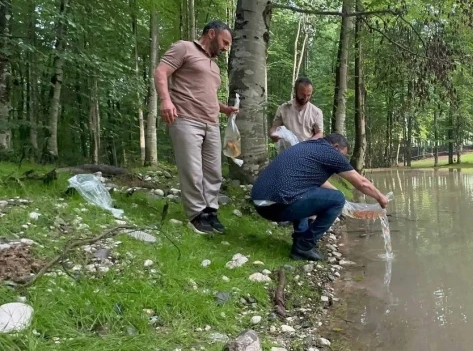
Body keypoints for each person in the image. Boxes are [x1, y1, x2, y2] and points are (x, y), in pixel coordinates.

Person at [153, 20, 238, 235]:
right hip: (186, 120)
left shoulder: (214, 66)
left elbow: (205, 94)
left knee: (214, 172)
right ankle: (196, 215)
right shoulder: (184, 48)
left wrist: (224, 109)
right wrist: (165, 101)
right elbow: (161, 72)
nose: (226, 48)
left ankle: (210, 211)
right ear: (211, 34)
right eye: (224, 42)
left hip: (211, 123)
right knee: (192, 171)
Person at [251, 133, 388, 261]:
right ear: (335, 147)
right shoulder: (330, 153)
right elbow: (361, 182)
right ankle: (303, 247)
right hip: (276, 207)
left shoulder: (308, 146)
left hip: (260, 203)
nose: (342, 159)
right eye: (343, 155)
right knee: (337, 200)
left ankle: (300, 237)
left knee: (305, 190)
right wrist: (380, 197)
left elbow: (311, 180)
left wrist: (335, 196)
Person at [269, 77, 324, 144]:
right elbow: (274, 127)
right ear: (296, 91)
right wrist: (273, 135)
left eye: (308, 95)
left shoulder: (316, 112)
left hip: (306, 150)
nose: (305, 98)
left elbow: (319, 133)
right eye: (302, 94)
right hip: (287, 151)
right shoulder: (283, 108)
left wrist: (309, 143)